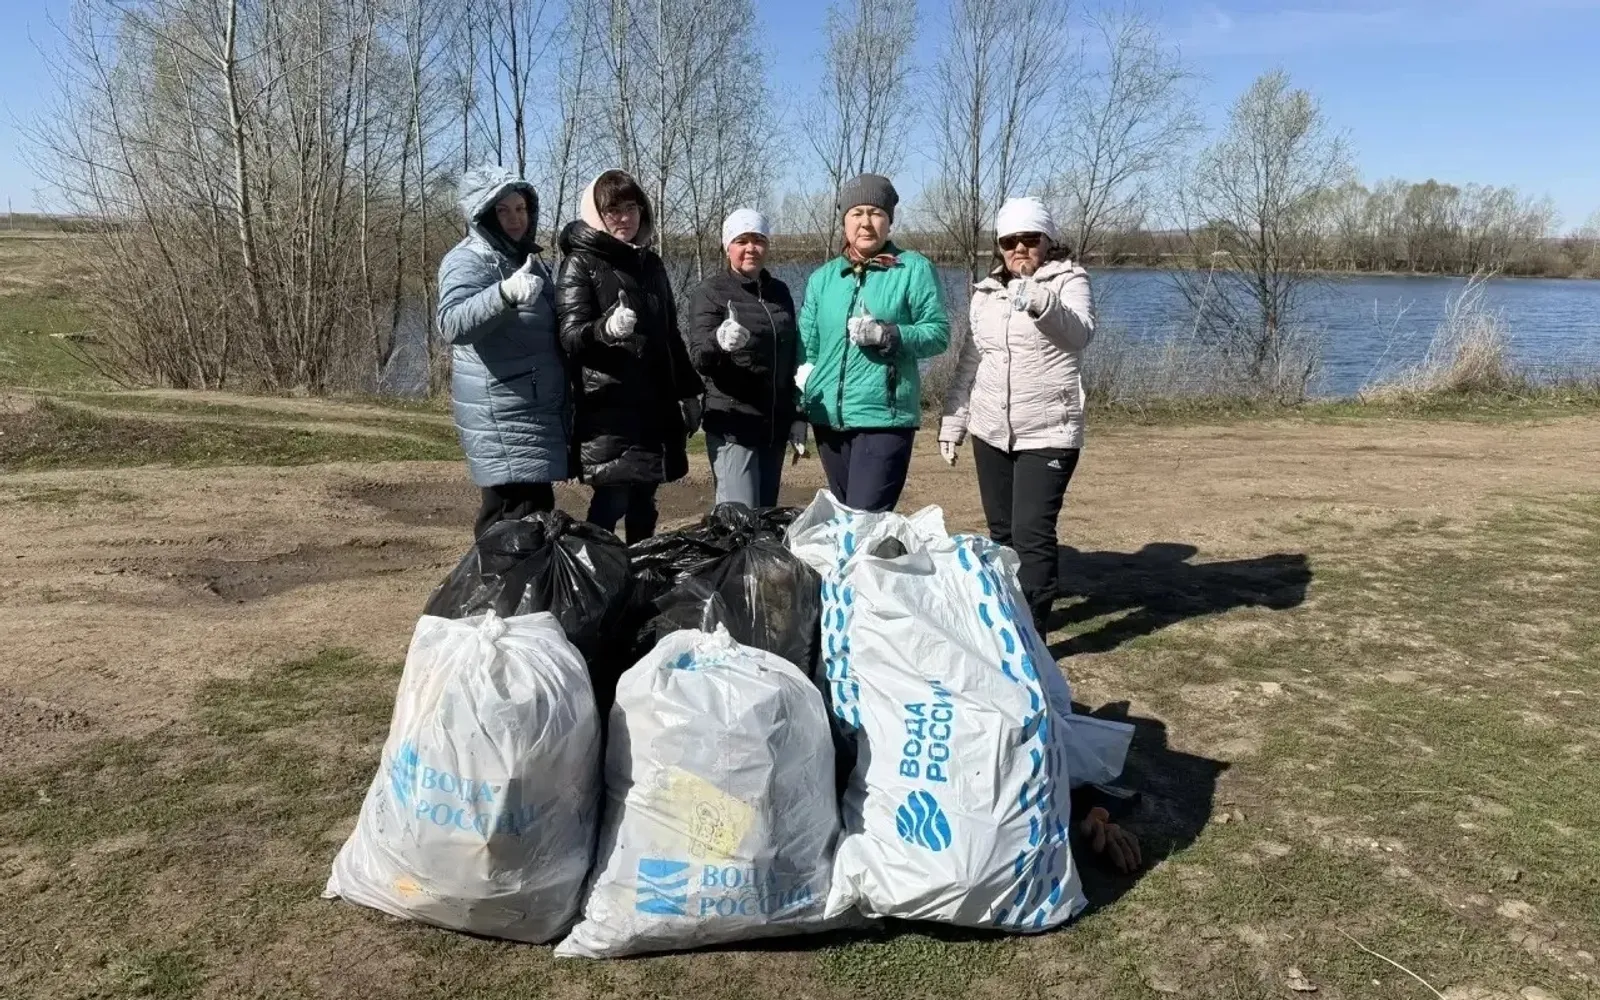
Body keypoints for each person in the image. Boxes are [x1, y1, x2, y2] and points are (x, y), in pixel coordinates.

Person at [939, 196, 1095, 631]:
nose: (1020, 248)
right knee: (1003, 535)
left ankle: (1034, 634)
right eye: (1010, 241)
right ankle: (1009, 622)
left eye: (1030, 239)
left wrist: (1041, 301)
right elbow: (971, 362)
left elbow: (1080, 334)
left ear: (1047, 241)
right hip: (991, 430)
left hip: (1048, 431)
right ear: (1000, 246)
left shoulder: (1069, 280)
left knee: (1032, 535)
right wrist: (953, 422)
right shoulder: (986, 292)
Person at [555, 168, 704, 543]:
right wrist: (605, 329)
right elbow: (570, 337)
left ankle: (639, 576)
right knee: (611, 500)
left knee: (645, 502)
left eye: (631, 208)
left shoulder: (650, 265)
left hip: (653, 406)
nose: (624, 218)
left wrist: (688, 391)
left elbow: (670, 335)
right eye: (613, 210)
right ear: (596, 214)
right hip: (608, 408)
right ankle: (596, 577)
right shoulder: (581, 262)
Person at [797, 173, 949, 512]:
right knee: (845, 521)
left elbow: (938, 334)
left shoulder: (912, 269)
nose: (866, 223)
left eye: (876, 213)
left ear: (889, 220)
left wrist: (889, 334)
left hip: (884, 419)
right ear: (844, 221)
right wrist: (798, 408)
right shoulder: (823, 279)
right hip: (829, 422)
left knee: (866, 520)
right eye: (857, 213)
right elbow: (806, 352)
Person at [436, 165, 567, 540]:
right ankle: (502, 596)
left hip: (529, 409)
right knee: (513, 519)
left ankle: (517, 595)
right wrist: (503, 295)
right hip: (503, 410)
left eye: (521, 209)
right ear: (483, 213)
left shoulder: (522, 258)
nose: (515, 219)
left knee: (531, 518)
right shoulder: (468, 260)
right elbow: (452, 324)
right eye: (503, 210)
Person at [687, 209, 805, 509]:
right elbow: (699, 357)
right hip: (734, 427)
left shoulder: (779, 292)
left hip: (773, 427)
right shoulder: (711, 292)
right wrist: (719, 341)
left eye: (758, 240)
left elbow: (792, 357)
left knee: (764, 521)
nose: (751, 248)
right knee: (739, 523)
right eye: (742, 240)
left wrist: (797, 415)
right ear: (728, 246)